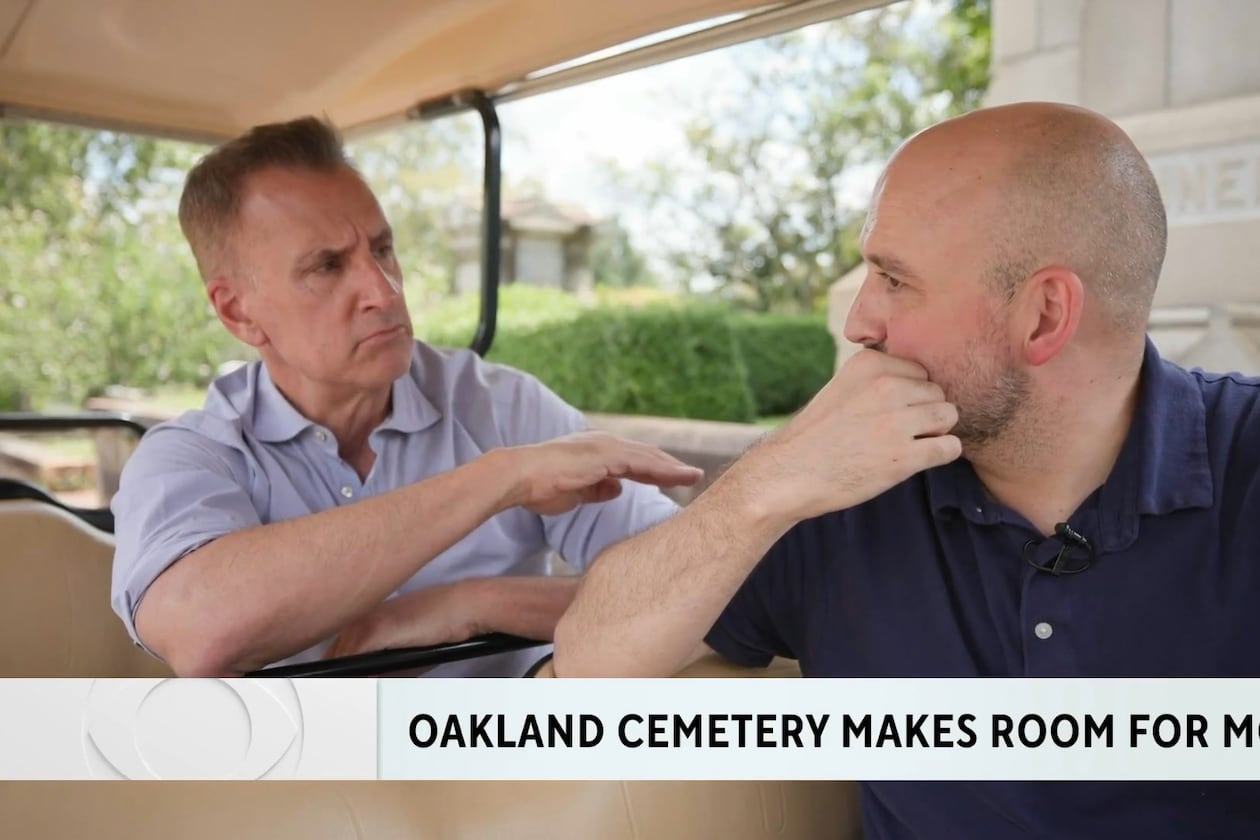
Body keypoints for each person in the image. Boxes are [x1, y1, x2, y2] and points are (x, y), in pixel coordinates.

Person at [554, 102, 1260, 835]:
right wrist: (769, 482)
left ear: (1045, 316)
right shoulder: (841, 493)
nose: (859, 321)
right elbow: (590, 667)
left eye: (895, 280)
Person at [109, 117, 701, 679]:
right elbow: (200, 626)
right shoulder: (190, 457)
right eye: (328, 266)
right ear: (239, 311)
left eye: (382, 248)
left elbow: (694, 587)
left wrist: (473, 606)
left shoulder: (502, 406)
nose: (383, 288)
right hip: (303, 779)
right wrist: (501, 479)